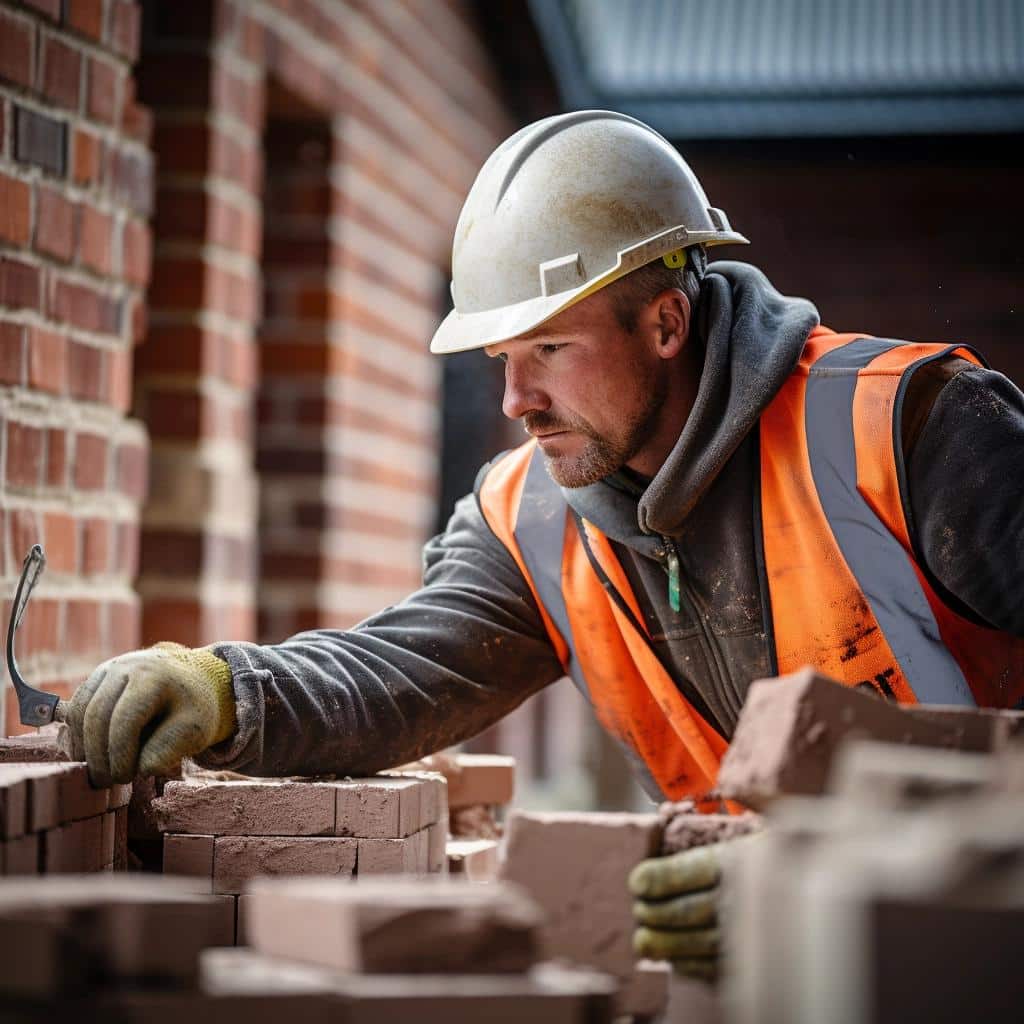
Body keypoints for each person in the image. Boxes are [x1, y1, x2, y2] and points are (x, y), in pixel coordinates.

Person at [63, 111, 1024, 979]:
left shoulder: (913, 431)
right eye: (501, 361)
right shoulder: (528, 518)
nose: (516, 401)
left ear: (666, 321)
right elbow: (400, 670)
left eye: (551, 349)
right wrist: (230, 690)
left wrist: (827, 876)